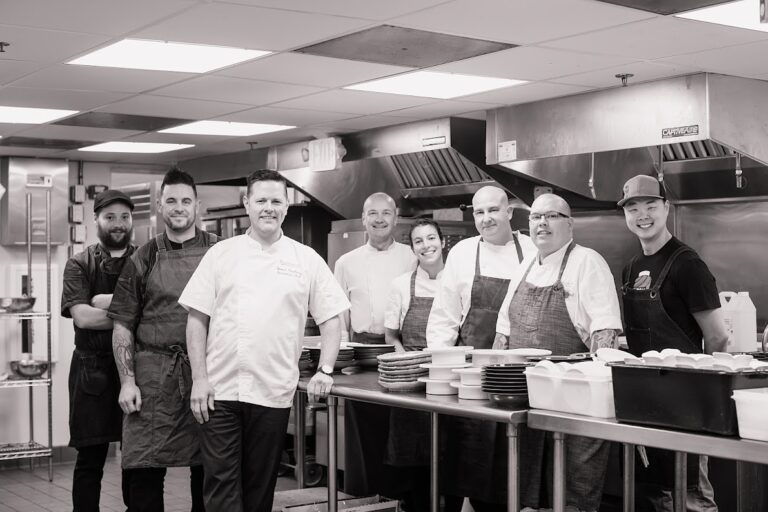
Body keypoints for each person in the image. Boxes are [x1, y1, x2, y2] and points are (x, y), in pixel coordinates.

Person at [179, 169, 349, 512]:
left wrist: (325, 369)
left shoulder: (305, 259)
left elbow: (332, 320)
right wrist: (199, 378)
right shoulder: (221, 254)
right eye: (261, 200)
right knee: (221, 490)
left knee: (259, 490)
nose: (268, 208)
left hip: (273, 392)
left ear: (286, 206)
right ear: (247, 204)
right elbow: (196, 319)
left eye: (276, 201)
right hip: (220, 392)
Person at [495, 193, 623, 512]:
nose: (542, 223)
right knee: (526, 496)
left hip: (575, 406)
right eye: (536, 217)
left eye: (552, 216)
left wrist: (595, 398)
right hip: (526, 402)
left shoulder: (587, 262)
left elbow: (605, 335)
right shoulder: (525, 266)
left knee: (571, 496)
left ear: (570, 225)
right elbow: (503, 335)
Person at [108, 168, 217, 512]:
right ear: (159, 205)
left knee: (210, 473)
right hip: (153, 379)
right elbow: (122, 326)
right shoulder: (144, 257)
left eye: (186, 200)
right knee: (143, 474)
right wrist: (127, 382)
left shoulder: (220, 252)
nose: (178, 207)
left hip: (207, 374)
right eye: (171, 200)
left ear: (197, 205)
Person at [618, 175, 727, 512]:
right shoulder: (630, 268)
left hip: (686, 402)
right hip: (644, 400)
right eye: (633, 208)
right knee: (655, 494)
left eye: (651, 205)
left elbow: (718, 336)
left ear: (666, 208)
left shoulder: (687, 264)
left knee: (690, 496)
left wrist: (705, 396)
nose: (642, 215)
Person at [426, 185, 536, 511]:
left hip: (515, 375)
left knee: (508, 465)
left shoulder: (532, 250)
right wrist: (441, 374)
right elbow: (444, 316)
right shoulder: (463, 252)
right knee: (464, 459)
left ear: (509, 212)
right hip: (469, 376)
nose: (486, 218)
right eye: (479, 212)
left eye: (493, 210)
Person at [332, 192, 417, 497]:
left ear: (396, 218)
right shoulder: (346, 262)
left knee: (402, 426)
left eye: (386, 213)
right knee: (364, 425)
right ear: (363, 219)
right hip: (360, 350)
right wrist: (342, 354)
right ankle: (365, 495)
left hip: (401, 350)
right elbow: (339, 312)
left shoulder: (412, 256)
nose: (379, 219)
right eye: (373, 213)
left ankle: (401, 496)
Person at [61, 190, 135, 512]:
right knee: (90, 461)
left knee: (137, 460)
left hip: (135, 370)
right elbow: (83, 317)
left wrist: (104, 302)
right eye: (110, 217)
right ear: (96, 220)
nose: (118, 223)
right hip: (91, 372)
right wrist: (132, 312)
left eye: (124, 217)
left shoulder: (145, 260)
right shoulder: (79, 264)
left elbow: (156, 311)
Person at [382, 219, 445, 511]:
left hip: (447, 379)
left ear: (442, 242)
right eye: (418, 241)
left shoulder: (456, 281)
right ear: (412, 248)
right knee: (414, 454)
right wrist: (406, 364)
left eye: (431, 238)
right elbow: (391, 336)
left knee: (449, 450)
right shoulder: (401, 285)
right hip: (411, 380)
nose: (426, 245)